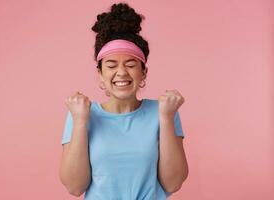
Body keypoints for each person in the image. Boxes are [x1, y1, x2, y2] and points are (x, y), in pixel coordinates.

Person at [59, 3, 188, 199]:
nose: (121, 72)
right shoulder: (81, 113)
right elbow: (75, 187)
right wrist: (80, 121)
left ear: (143, 72)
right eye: (111, 65)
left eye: (130, 64)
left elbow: (173, 182)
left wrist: (166, 118)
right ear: (100, 74)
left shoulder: (164, 111)